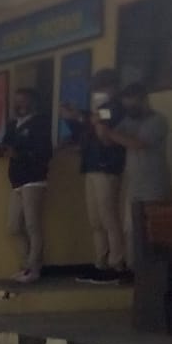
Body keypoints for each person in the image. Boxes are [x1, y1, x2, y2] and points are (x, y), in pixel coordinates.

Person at [61, 68, 129, 283]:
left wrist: (79, 115)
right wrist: (75, 118)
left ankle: (116, 263)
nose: (99, 91)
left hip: (107, 166)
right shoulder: (99, 109)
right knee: (95, 220)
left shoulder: (117, 107)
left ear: (113, 87)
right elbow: (89, 125)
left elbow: (101, 118)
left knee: (109, 218)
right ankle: (100, 262)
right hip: (91, 165)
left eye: (102, 87)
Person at [97, 82, 171, 271]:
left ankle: (154, 269)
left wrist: (110, 133)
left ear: (144, 100)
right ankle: (133, 268)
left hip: (154, 183)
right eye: (126, 106)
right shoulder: (129, 121)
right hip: (134, 183)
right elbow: (109, 141)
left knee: (153, 228)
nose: (129, 110)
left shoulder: (158, 121)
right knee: (130, 229)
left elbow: (138, 143)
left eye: (133, 106)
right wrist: (100, 124)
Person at [0, 86, 52, 283]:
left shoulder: (41, 123)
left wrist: (19, 154)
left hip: (34, 179)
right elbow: (6, 144)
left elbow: (45, 152)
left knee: (33, 225)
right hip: (17, 180)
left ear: (32, 102)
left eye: (24, 100)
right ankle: (26, 264)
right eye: (17, 100)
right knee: (13, 227)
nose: (20, 104)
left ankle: (34, 268)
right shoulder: (12, 125)